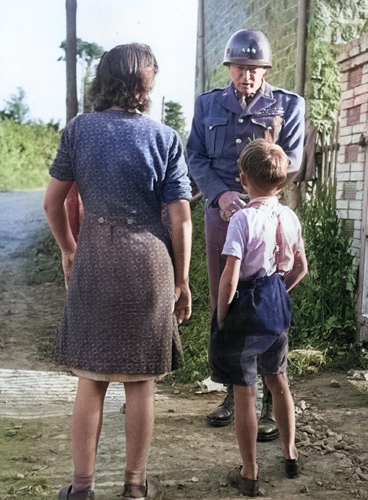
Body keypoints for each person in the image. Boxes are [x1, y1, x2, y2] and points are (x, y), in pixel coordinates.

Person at [43, 43, 192, 500]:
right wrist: (183, 281)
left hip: (96, 259)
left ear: (103, 78)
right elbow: (181, 218)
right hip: (149, 265)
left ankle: (82, 487)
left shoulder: (79, 130)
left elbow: (53, 202)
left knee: (92, 379)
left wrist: (70, 249)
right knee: (140, 381)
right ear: (145, 86)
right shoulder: (165, 138)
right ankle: (134, 487)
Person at [186, 28, 305, 438]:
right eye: (239, 67)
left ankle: (271, 399)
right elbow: (195, 156)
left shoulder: (289, 105)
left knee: (270, 295)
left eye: (254, 69)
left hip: (269, 213)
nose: (246, 76)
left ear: (266, 70)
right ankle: (232, 391)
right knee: (227, 292)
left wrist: (259, 195)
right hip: (223, 215)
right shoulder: (207, 105)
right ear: (229, 67)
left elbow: (291, 161)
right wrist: (219, 196)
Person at [209, 139, 308, 496]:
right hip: (276, 308)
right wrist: (280, 291)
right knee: (278, 381)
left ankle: (250, 470)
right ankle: (290, 452)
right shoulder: (290, 216)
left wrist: (222, 317)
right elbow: (301, 267)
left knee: (244, 392)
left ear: (243, 179)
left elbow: (230, 276)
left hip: (245, 313)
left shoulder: (243, 219)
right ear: (282, 183)